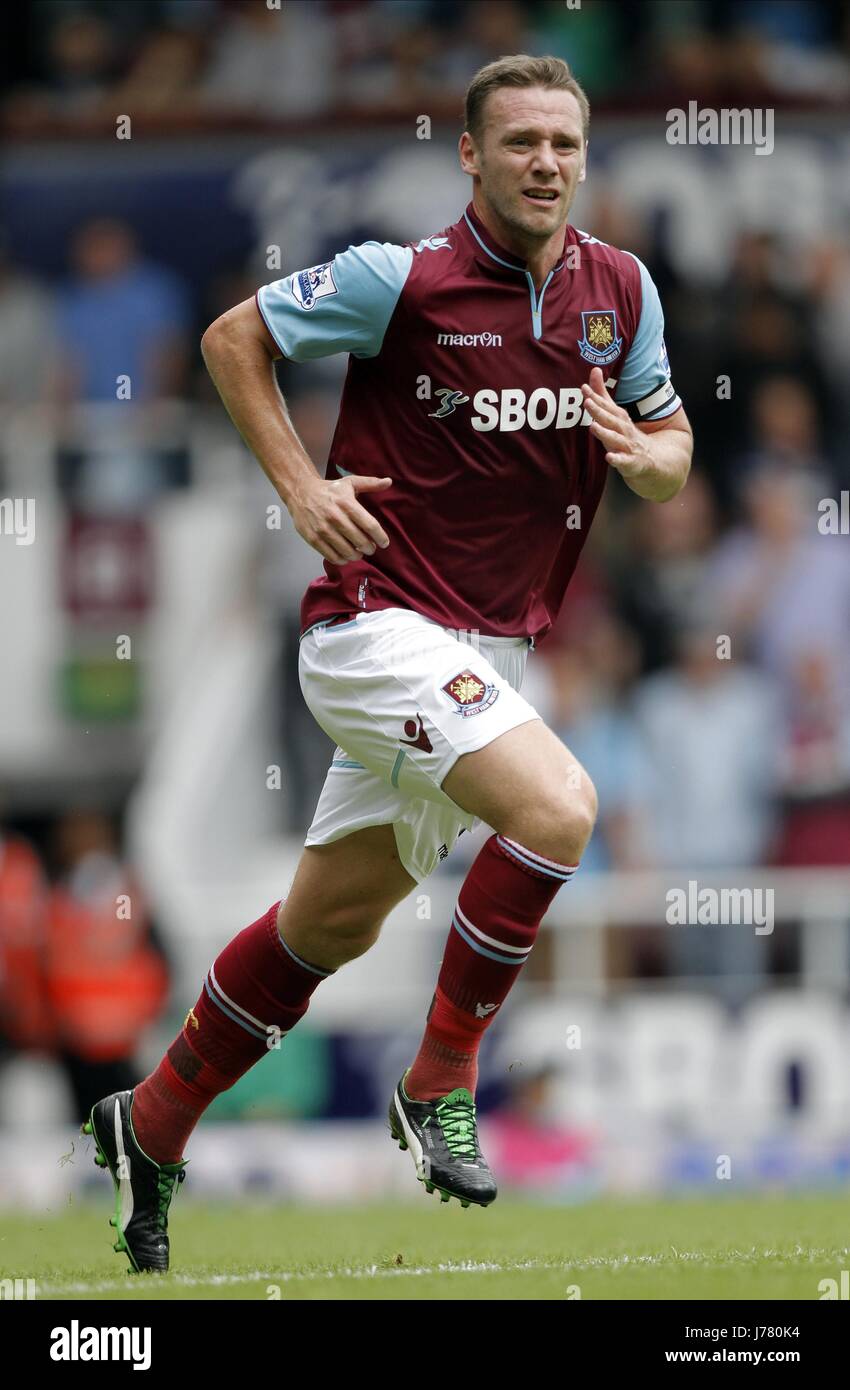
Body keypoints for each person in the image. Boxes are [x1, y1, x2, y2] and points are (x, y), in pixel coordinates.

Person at [84, 54, 692, 1273]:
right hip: (373, 627)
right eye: (519, 142)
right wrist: (300, 488)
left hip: (490, 654)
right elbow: (230, 339)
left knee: (330, 927)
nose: (546, 164)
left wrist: (647, 458)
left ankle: (147, 1126)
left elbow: (673, 444)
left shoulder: (619, 290)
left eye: (564, 145)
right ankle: (439, 1081)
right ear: (469, 155)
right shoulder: (398, 279)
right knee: (559, 808)